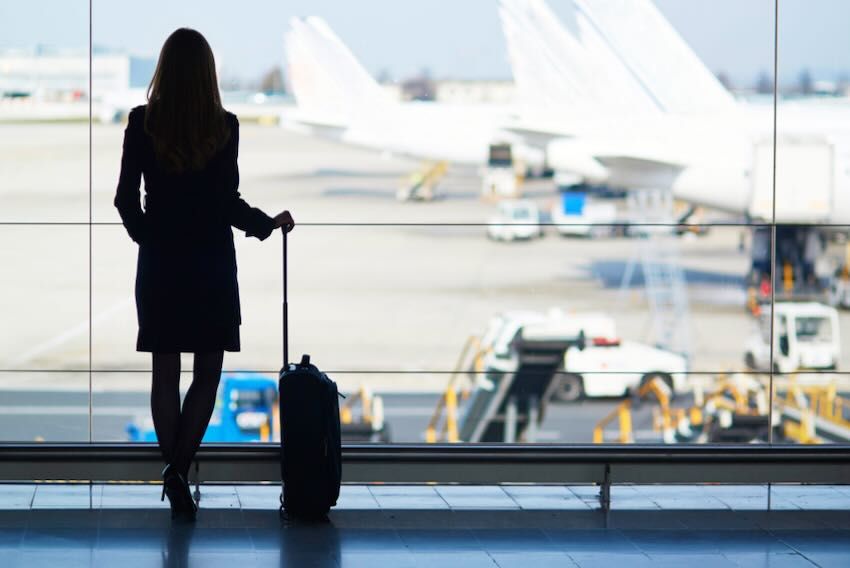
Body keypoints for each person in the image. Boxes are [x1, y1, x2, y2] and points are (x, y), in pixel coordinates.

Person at [114, 28, 294, 521]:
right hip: (211, 265)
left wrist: (149, 238)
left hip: (162, 266)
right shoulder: (225, 126)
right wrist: (265, 224)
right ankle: (177, 470)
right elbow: (226, 202)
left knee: (164, 372)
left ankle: (174, 474)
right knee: (207, 374)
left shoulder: (141, 123)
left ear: (164, 70)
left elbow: (125, 200)